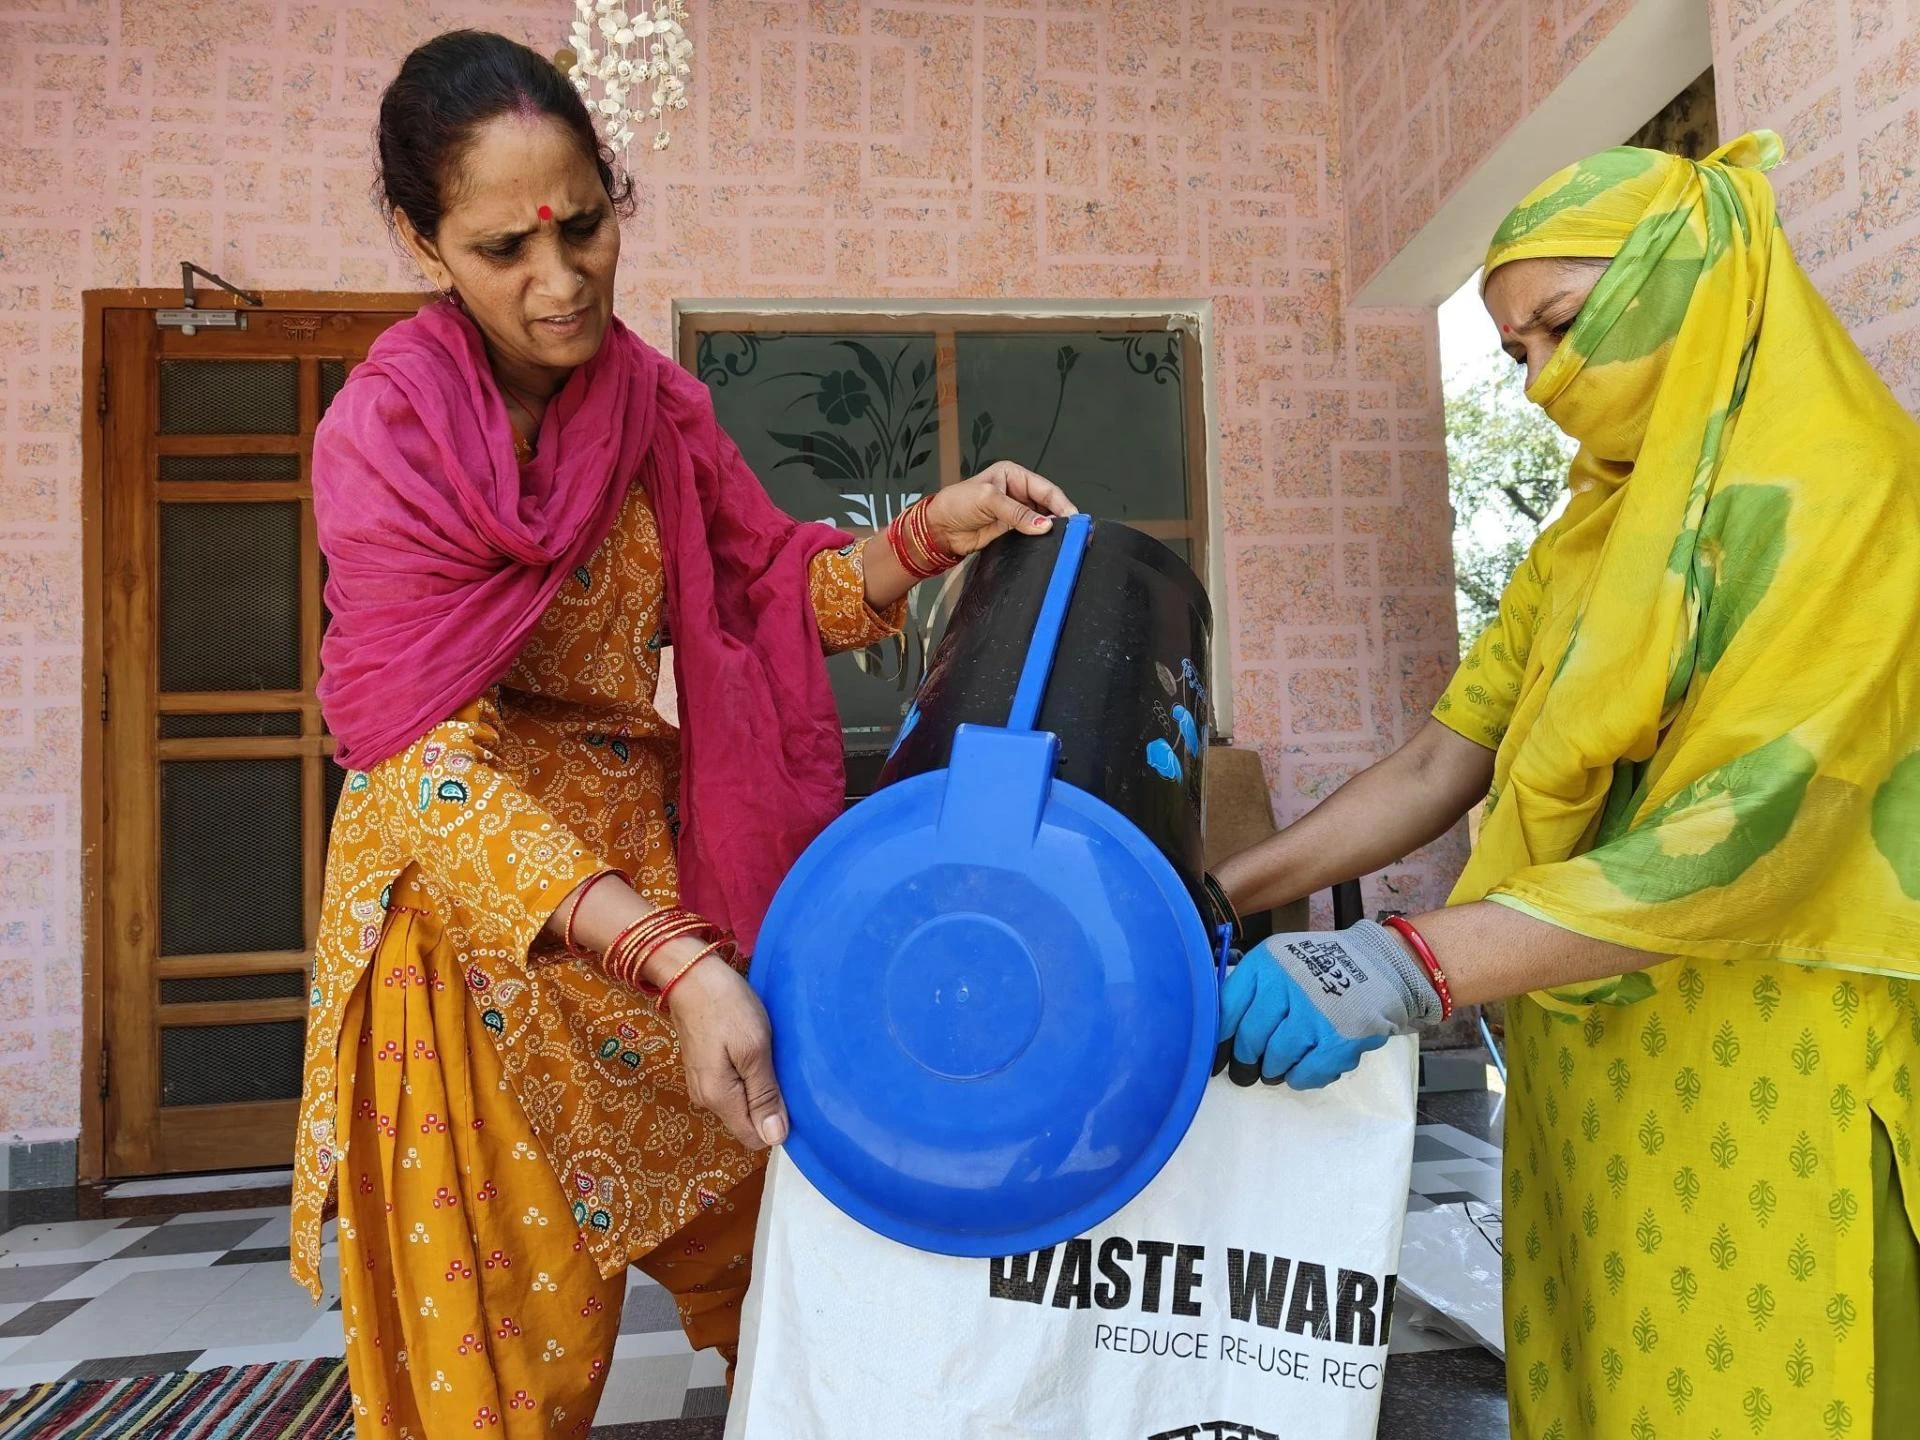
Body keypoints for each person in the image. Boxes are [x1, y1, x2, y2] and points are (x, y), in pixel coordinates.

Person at [285, 30, 1076, 1439]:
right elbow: (417, 759)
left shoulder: (653, 408)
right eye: (502, 248)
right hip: (472, 933)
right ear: (421, 242)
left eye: (584, 225)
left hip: (655, 904)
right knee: (500, 1384)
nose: (561, 278)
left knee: (803, 1267)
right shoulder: (386, 433)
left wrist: (929, 531)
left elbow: (775, 591)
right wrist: (669, 957)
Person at [1210, 133, 1920, 1437]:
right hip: (1589, 1065)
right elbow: (1442, 760)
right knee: (1601, 1387)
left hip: (1770, 1070)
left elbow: (1742, 838)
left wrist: (1397, 967)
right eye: (1515, 355)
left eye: (1563, 327)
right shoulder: (1593, 533)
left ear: (1692, 281)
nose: (1541, 384)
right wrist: (1216, 888)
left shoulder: (1852, 501)